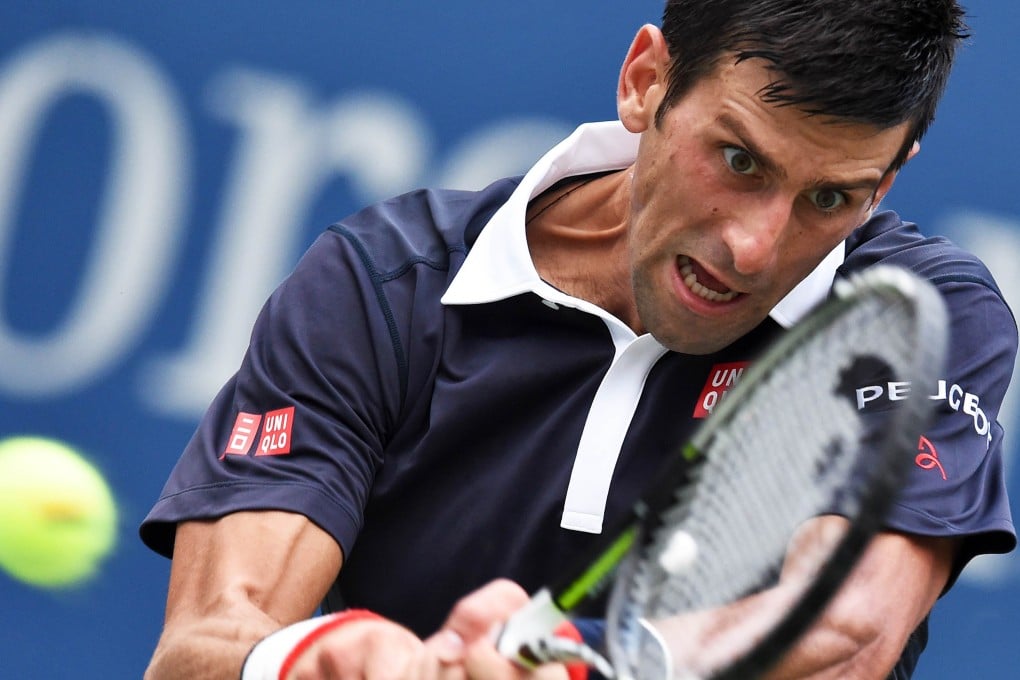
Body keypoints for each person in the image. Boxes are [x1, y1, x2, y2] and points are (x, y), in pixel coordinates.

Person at [140, 1, 1017, 678]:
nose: (755, 246)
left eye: (831, 198)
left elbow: (849, 634)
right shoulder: (382, 287)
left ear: (888, 179)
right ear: (645, 82)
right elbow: (206, 641)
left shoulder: (922, 317)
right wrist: (306, 661)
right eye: (739, 159)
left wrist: (583, 658)